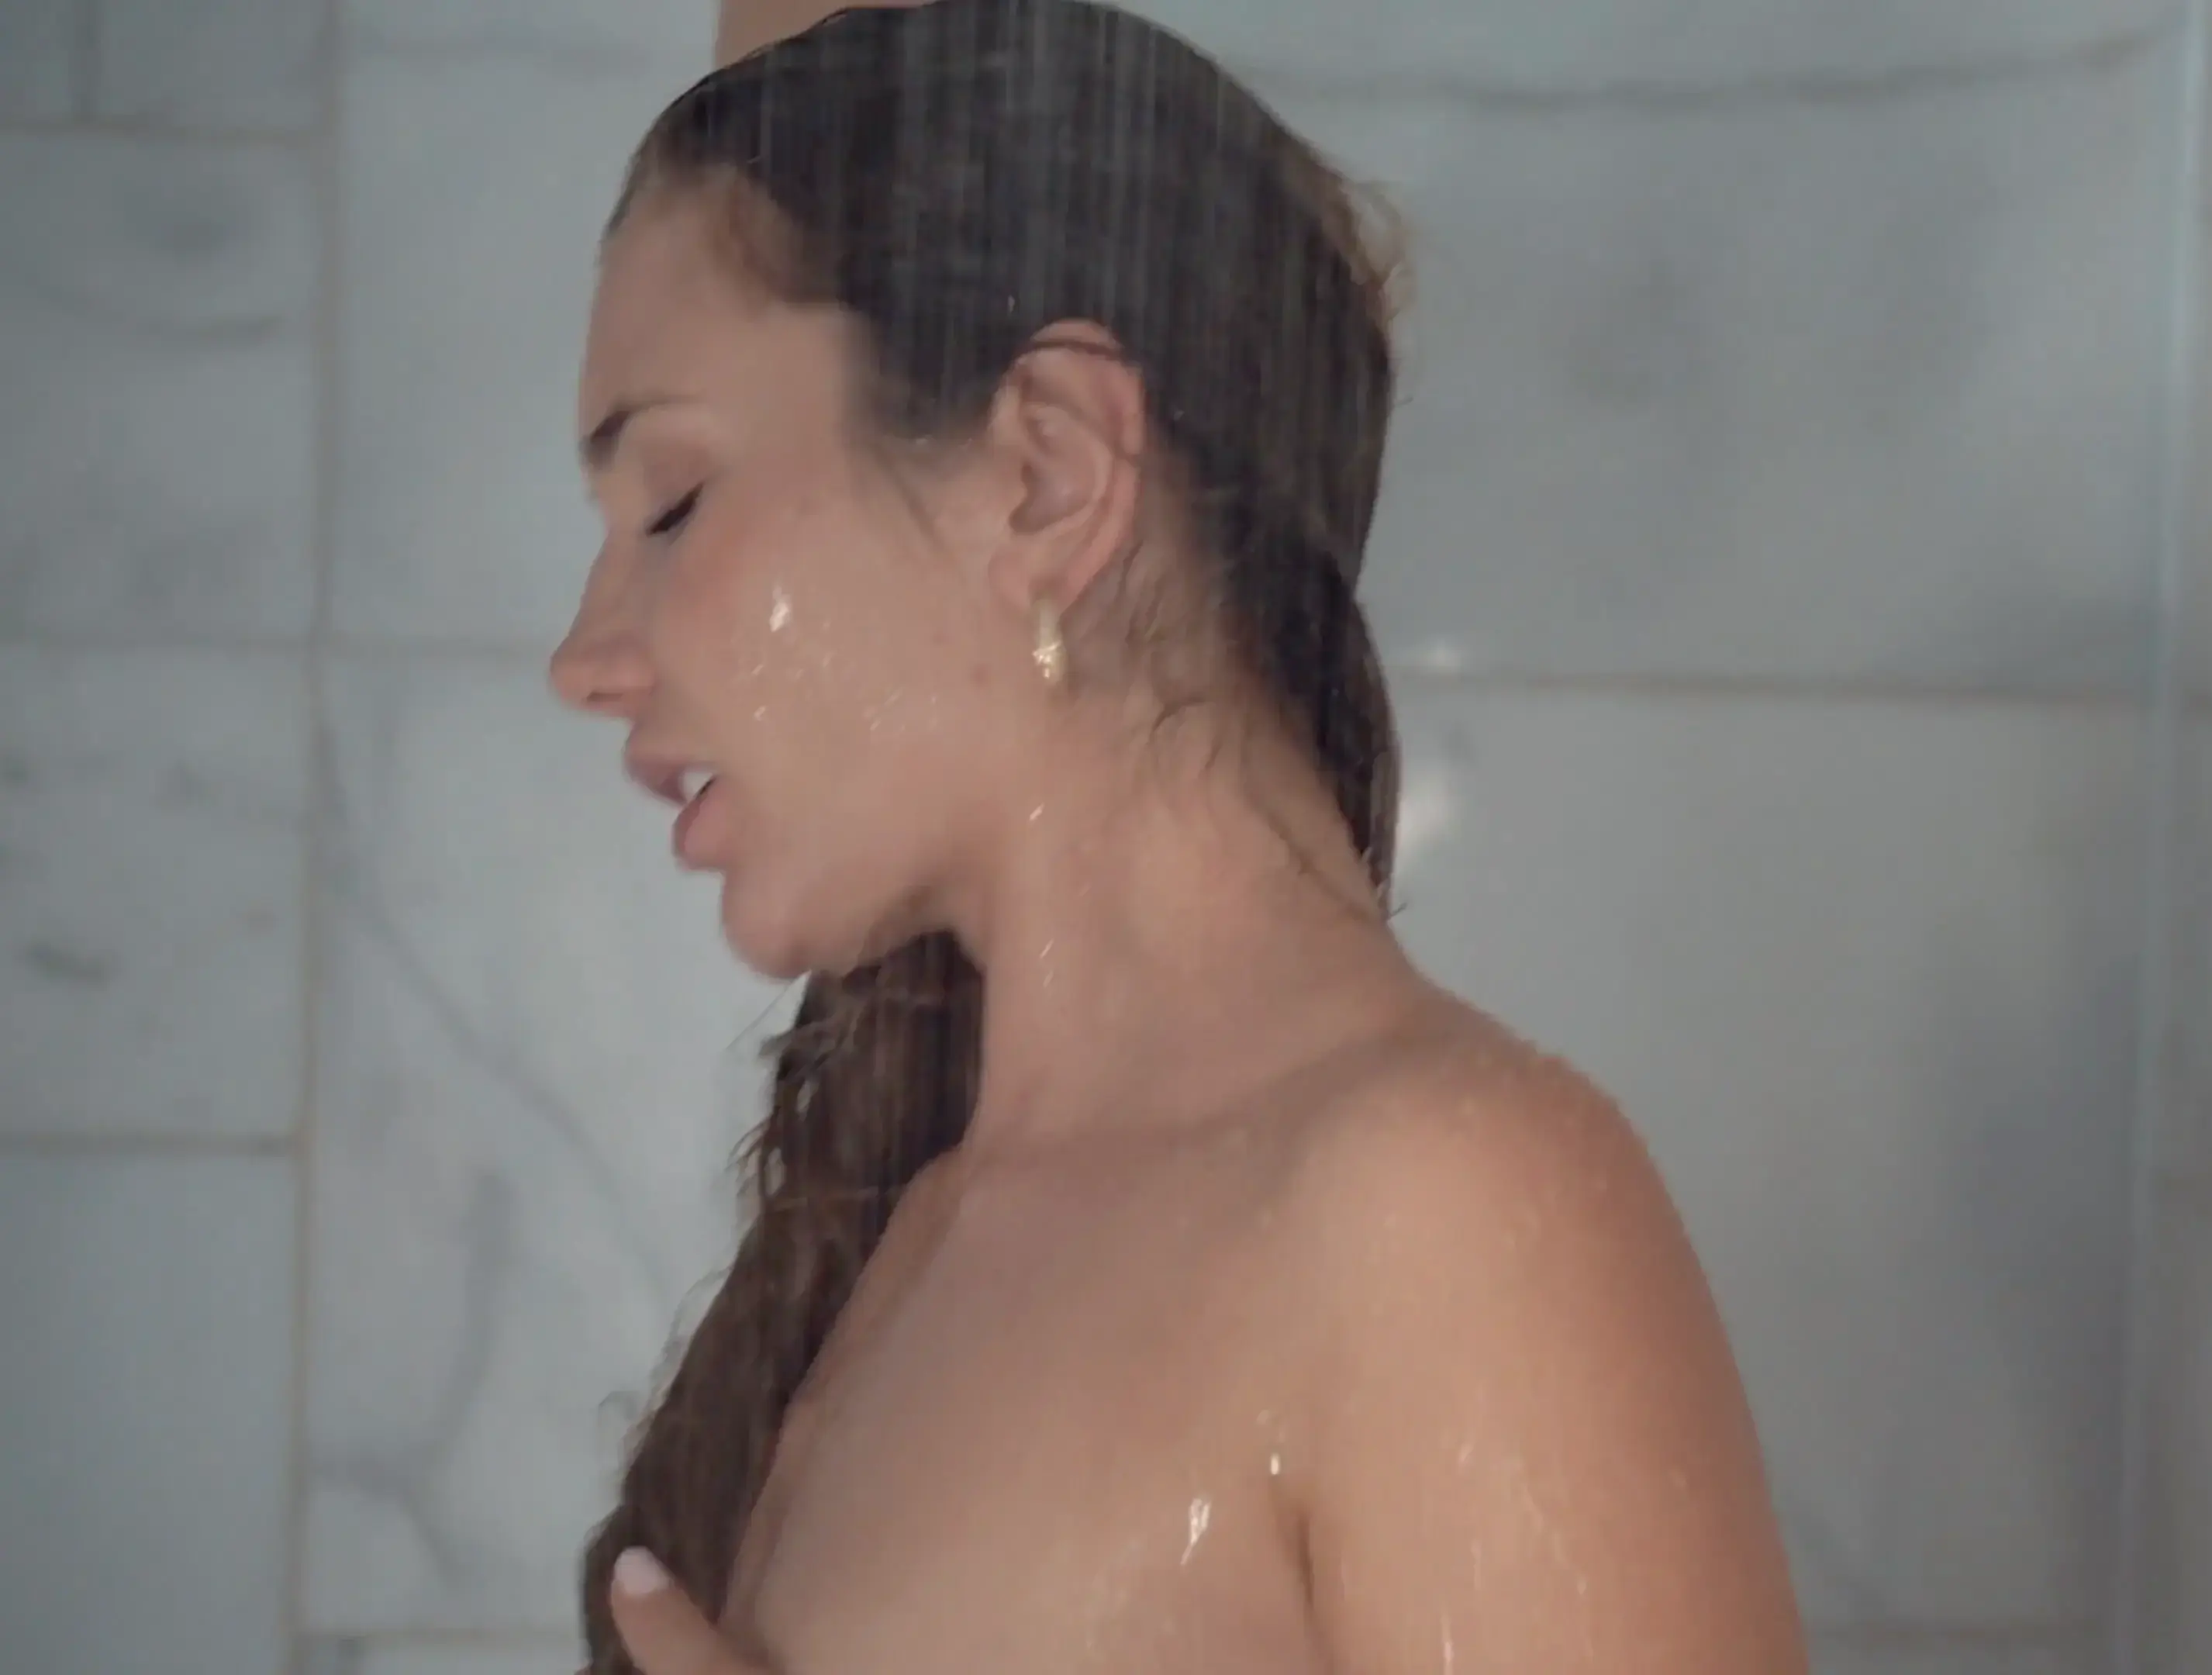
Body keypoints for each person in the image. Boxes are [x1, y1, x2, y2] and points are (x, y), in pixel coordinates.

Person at [546, 1, 1809, 1670]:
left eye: (673, 501)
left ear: (1049, 476)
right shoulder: (918, 1232)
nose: (584, 658)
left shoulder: (1445, 1217)